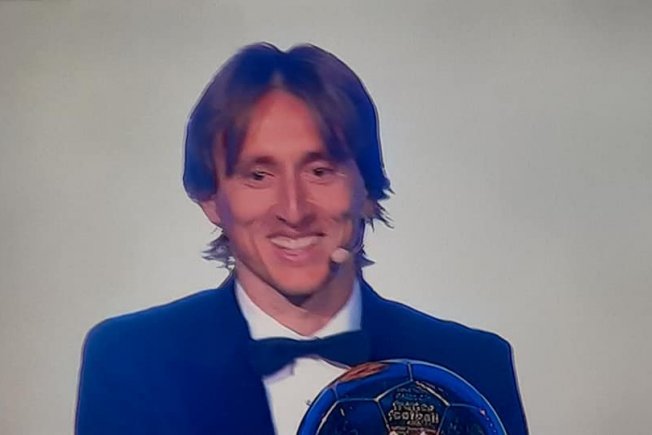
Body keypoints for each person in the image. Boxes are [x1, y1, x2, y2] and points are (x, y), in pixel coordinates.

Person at [75, 42, 528, 435]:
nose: (293, 211)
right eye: (258, 175)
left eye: (320, 171)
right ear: (211, 199)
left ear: (367, 189)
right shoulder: (132, 363)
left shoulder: (471, 366)